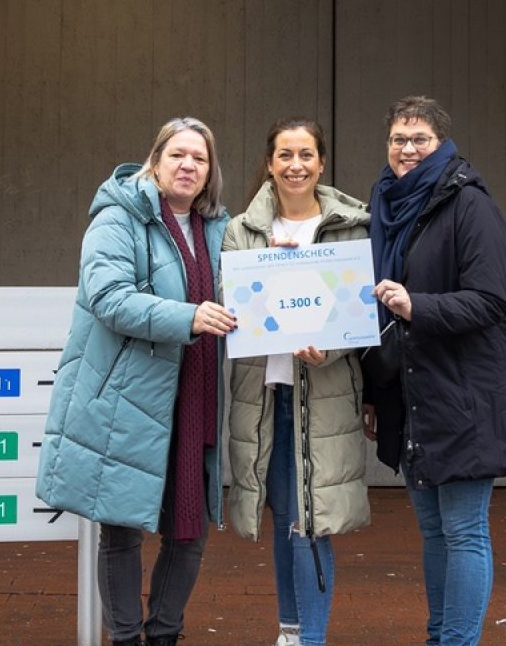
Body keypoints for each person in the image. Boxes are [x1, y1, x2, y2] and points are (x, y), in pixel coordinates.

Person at [37, 118, 238, 646]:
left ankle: (164, 635)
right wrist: (188, 317)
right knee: (122, 530)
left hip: (194, 401)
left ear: (210, 171)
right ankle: (126, 638)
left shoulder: (220, 228)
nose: (188, 165)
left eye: (200, 157)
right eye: (178, 154)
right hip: (128, 402)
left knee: (188, 529)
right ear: (154, 161)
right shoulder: (117, 216)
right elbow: (108, 297)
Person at [362, 96, 506, 646]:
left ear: (442, 144)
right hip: (414, 398)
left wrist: (418, 306)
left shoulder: (469, 205)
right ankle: (441, 637)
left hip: (464, 396)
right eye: (397, 139)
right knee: (434, 531)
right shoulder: (385, 206)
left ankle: (455, 641)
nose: (406, 150)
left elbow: (489, 301)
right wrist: (373, 391)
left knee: (463, 532)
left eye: (419, 140)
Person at [223, 118, 372, 646]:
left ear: (321, 162)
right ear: (270, 163)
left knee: (313, 521)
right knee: (286, 514)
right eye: (285, 155)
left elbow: (364, 317)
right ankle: (290, 631)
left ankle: (311, 637)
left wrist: (329, 347)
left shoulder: (351, 225)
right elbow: (231, 302)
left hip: (326, 396)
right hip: (268, 397)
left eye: (306, 154)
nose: (295, 165)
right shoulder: (242, 229)